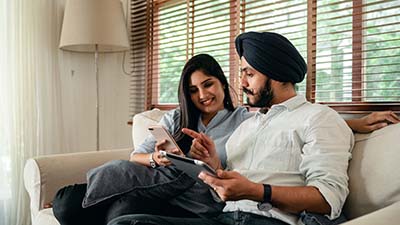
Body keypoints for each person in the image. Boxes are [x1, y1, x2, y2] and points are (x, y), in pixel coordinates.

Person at [106, 32, 399, 225]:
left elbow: (327, 199)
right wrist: (213, 164)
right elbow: (228, 183)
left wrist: (257, 191)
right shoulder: (250, 124)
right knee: (126, 222)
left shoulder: (318, 118)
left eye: (249, 73)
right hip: (223, 219)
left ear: (276, 74)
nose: (242, 83)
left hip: (268, 221)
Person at [52, 54, 253, 225]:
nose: (202, 95)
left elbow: (243, 178)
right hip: (156, 190)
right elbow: (135, 156)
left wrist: (214, 163)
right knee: (65, 202)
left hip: (194, 207)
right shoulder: (176, 118)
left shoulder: (244, 122)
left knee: (122, 212)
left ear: (223, 83)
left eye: (208, 84)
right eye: (193, 90)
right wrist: (156, 158)